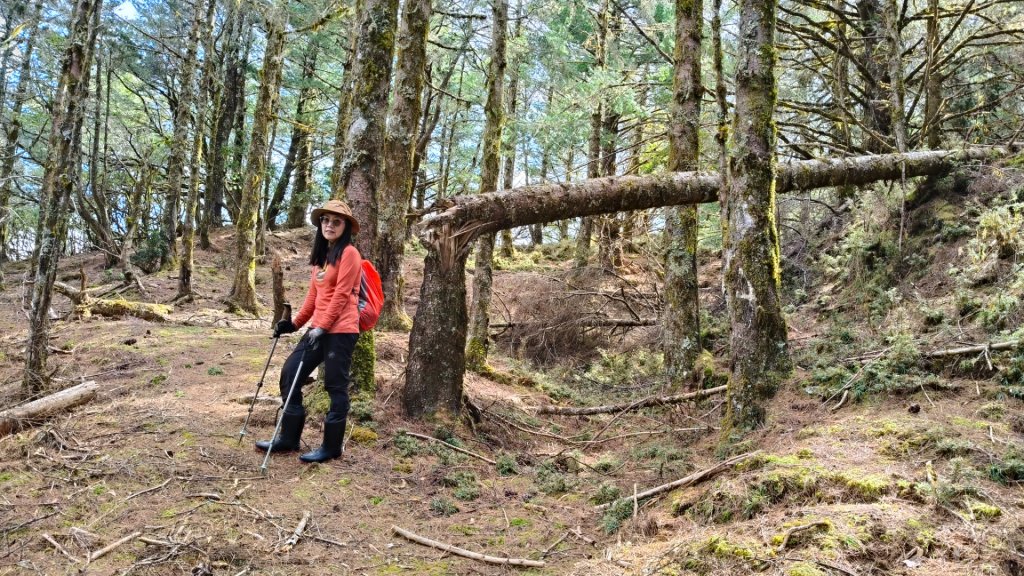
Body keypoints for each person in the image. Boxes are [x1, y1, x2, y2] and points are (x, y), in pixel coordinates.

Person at [255, 199, 362, 463]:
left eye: (336, 221)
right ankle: (289, 438)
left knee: (335, 386)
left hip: (341, 331)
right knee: (290, 373)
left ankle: (331, 446)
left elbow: (341, 295)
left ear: (345, 227)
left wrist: (323, 327)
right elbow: (313, 299)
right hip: (318, 329)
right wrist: (293, 325)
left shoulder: (350, 254)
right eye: (326, 220)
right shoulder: (321, 259)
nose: (330, 225)